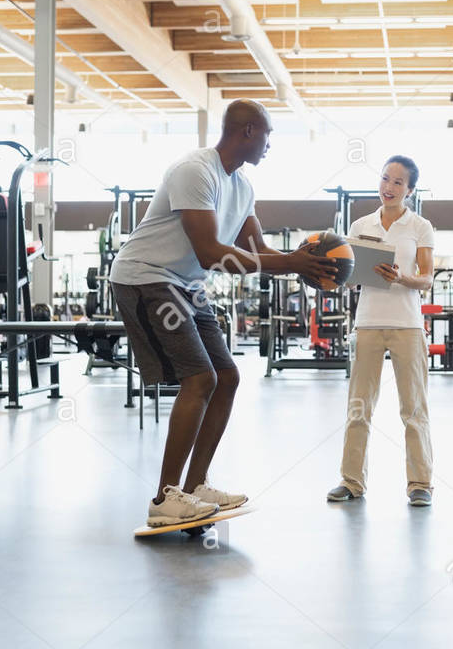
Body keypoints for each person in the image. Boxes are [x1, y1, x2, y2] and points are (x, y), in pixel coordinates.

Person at [110, 100, 339, 527]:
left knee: (227, 377)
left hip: (185, 285)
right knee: (200, 378)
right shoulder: (194, 171)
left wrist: (301, 261)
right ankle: (164, 499)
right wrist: (289, 263)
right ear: (249, 131)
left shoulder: (243, 186)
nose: (270, 144)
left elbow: (260, 251)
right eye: (268, 134)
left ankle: (196, 486)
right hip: (145, 278)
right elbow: (212, 253)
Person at [328, 156, 436, 507]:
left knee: (413, 409)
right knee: (358, 407)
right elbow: (346, 273)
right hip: (368, 323)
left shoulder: (420, 226)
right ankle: (351, 481)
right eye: (385, 179)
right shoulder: (359, 225)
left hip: (407, 325)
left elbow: (428, 279)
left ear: (410, 190)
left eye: (398, 183)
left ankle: (420, 483)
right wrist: (340, 276)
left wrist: (401, 278)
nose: (388, 188)